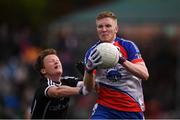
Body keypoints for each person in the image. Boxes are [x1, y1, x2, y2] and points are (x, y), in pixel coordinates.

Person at [83, 11, 149, 119]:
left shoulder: (128, 46)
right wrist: (88, 70)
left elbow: (144, 74)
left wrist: (121, 60)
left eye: (108, 26)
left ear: (116, 29)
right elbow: (89, 88)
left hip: (131, 108)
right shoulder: (92, 52)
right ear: (97, 29)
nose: (104, 29)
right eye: (100, 26)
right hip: (105, 109)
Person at [30, 48, 87, 119]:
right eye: (51, 61)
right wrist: (80, 90)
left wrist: (88, 74)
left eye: (58, 60)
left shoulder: (67, 80)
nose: (56, 62)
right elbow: (57, 92)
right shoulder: (44, 85)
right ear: (43, 70)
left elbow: (88, 84)